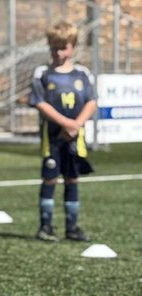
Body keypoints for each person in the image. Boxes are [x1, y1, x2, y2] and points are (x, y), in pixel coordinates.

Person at [28, 21, 97, 242]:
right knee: (50, 178)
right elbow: (40, 102)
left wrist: (76, 125)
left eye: (62, 47)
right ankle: (45, 226)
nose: (58, 52)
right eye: (53, 47)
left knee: (72, 178)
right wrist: (65, 123)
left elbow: (92, 102)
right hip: (53, 137)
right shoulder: (42, 73)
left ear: (72, 46)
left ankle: (72, 226)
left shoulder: (82, 74)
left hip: (76, 137)